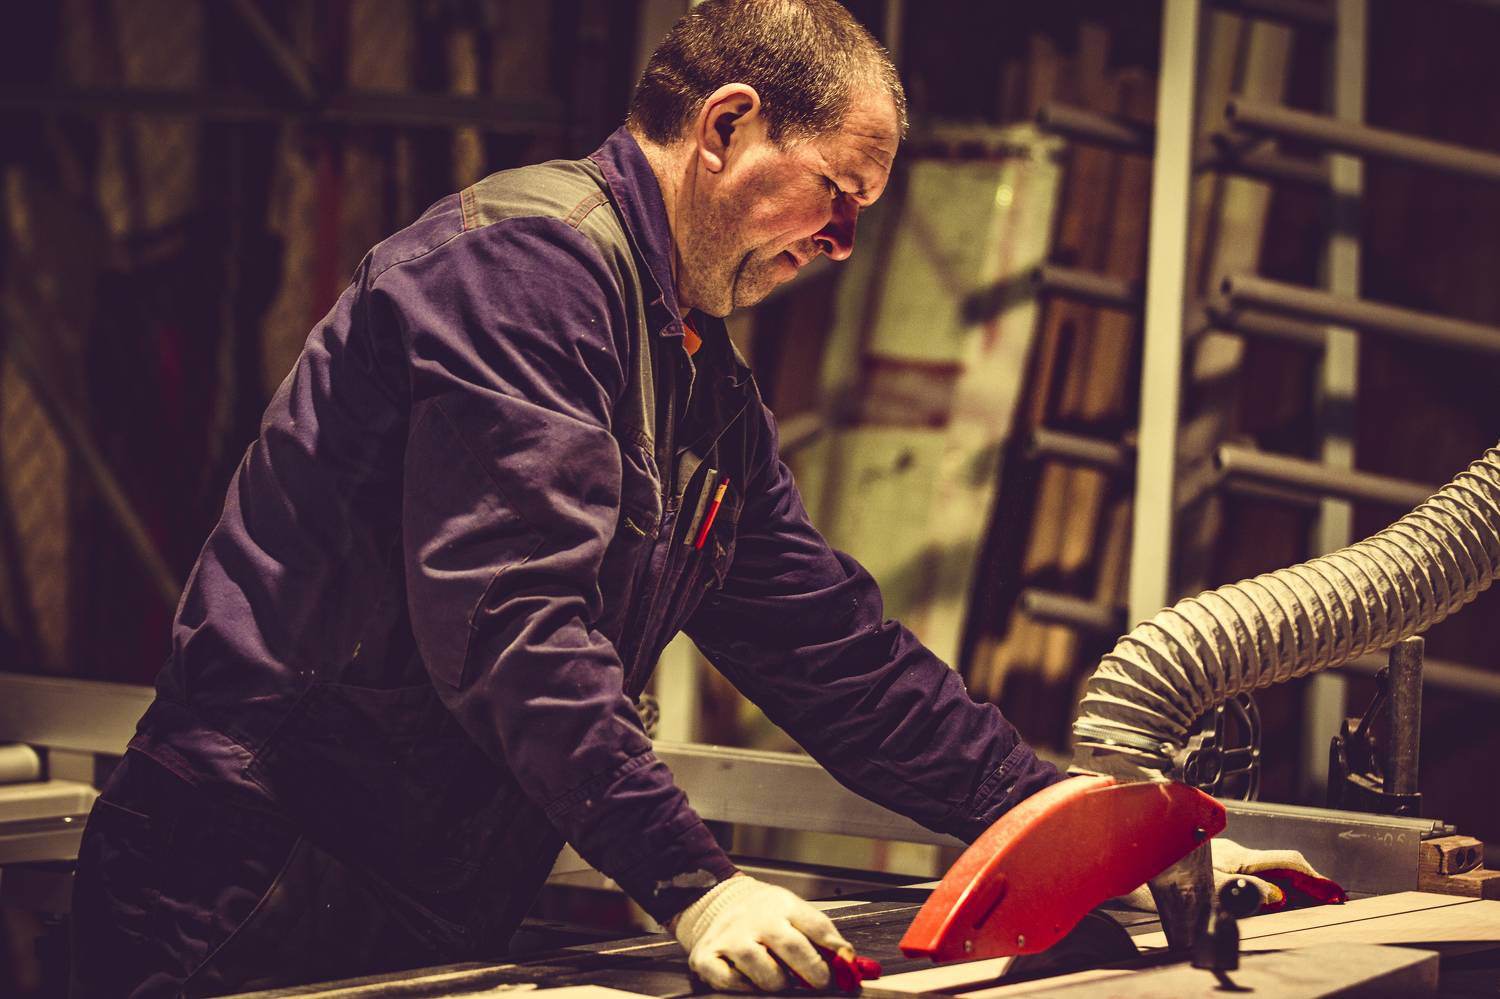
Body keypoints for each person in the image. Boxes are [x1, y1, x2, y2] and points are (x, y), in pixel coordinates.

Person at [69, 2, 1064, 995]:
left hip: (408, 888)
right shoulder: (523, 271)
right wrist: (696, 885)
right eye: (835, 190)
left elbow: (830, 649)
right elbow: (511, 622)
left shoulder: (697, 380)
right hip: (248, 886)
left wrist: (1053, 814)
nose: (843, 239)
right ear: (726, 127)